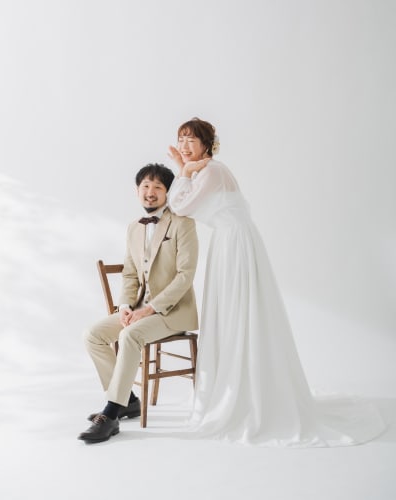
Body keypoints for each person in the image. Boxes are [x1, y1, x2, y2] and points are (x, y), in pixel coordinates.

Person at [167, 117, 385, 447]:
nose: (184, 146)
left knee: (239, 314)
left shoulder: (211, 171)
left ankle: (247, 395)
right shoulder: (207, 171)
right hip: (230, 242)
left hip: (233, 243)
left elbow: (180, 206)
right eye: (181, 139)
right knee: (234, 313)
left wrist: (182, 172)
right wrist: (185, 170)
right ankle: (238, 387)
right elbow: (187, 203)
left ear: (206, 144)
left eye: (191, 140)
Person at [78, 163, 198, 443]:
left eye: (158, 187)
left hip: (173, 312)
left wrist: (149, 309)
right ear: (137, 190)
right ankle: (129, 401)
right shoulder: (134, 227)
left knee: (129, 335)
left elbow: (185, 276)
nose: (150, 192)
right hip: (140, 310)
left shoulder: (183, 224)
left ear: (168, 192)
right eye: (145, 186)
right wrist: (125, 306)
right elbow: (131, 273)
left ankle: (111, 413)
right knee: (93, 335)